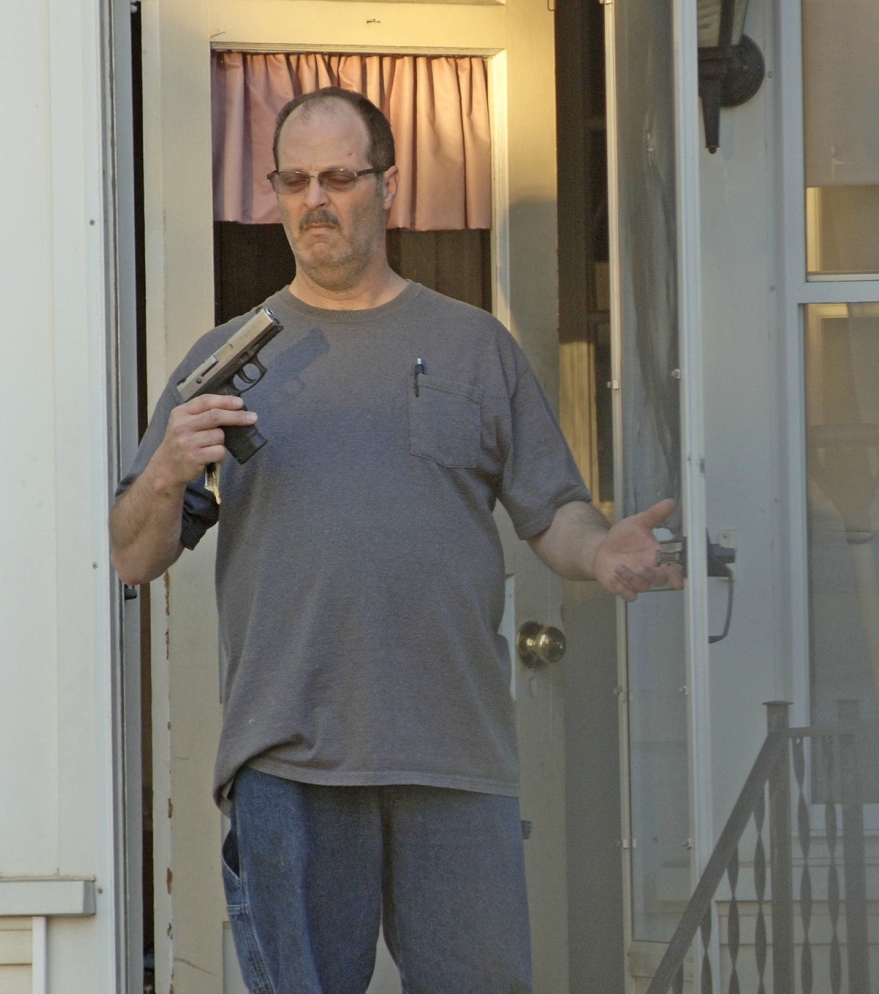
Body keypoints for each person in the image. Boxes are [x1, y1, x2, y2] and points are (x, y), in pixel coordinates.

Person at [110, 86, 682, 994]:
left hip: (454, 753)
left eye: (340, 176)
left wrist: (602, 550)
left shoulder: (473, 347)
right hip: (287, 759)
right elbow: (133, 555)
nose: (315, 200)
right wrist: (168, 467)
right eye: (293, 179)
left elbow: (552, 511)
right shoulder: (226, 358)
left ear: (390, 187)